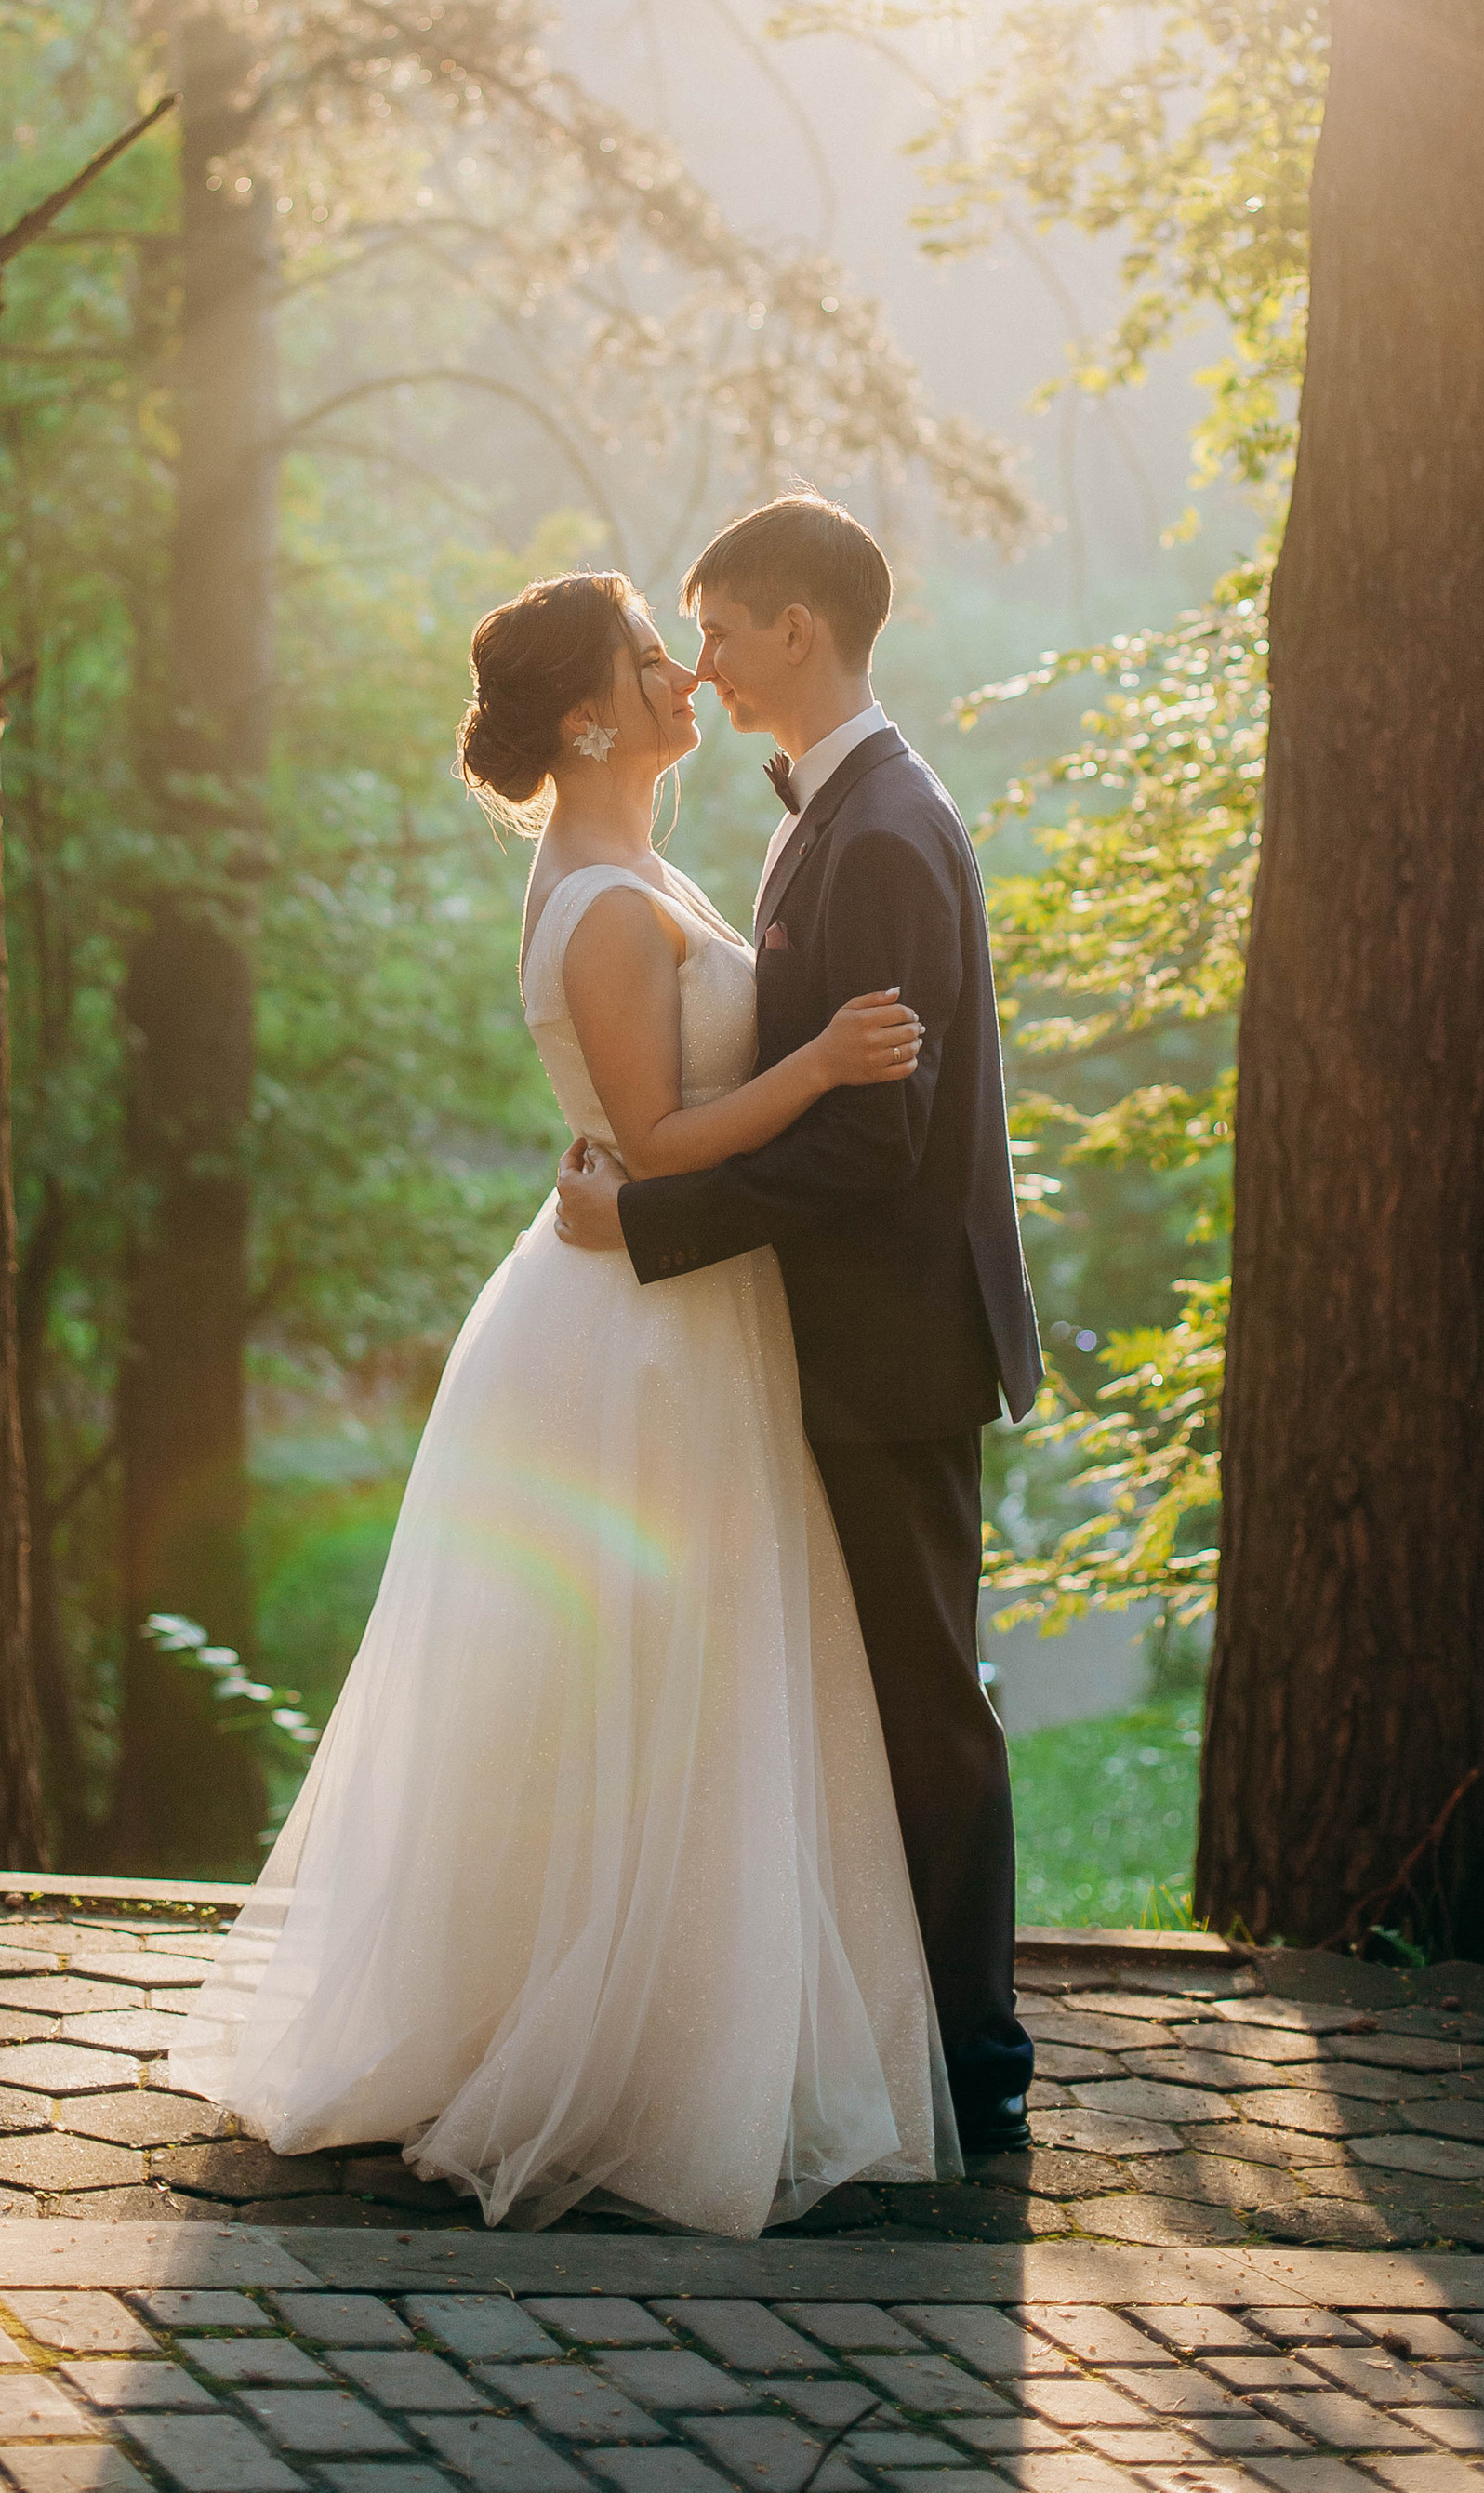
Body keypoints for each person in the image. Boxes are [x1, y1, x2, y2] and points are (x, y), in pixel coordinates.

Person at [166, 566, 960, 2235]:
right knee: (638, 1677)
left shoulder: (633, 865)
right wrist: (817, 1067)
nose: (686, 673)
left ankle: (682, 2025)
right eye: (650, 656)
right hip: (632, 1327)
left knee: (682, 1677)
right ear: (590, 715)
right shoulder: (604, 899)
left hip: (675, 1298)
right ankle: (604, 2045)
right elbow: (658, 1142)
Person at [555, 493, 1042, 2153]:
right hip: (825, 1341)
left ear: (796, 631)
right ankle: (876, 2022)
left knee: (922, 1704)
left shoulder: (886, 832)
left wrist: (649, 1223)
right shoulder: (824, 818)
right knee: (849, 1695)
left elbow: (870, 1136)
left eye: (716, 626)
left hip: (892, 1346)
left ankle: (977, 2066)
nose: (700, 663)